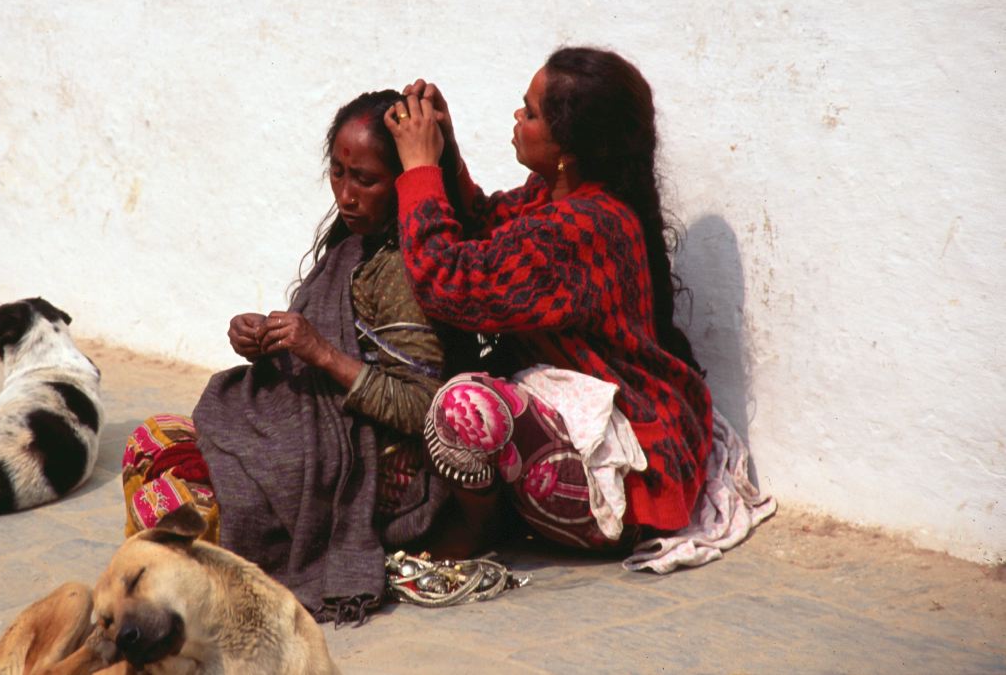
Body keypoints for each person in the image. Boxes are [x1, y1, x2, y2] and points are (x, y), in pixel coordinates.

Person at [121, 90, 470, 624]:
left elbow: (425, 407)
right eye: (338, 173)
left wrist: (320, 352)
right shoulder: (352, 246)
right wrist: (262, 340)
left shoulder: (403, 269)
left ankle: (186, 583)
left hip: (362, 468)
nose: (346, 196)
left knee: (178, 499)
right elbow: (323, 336)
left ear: (404, 181)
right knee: (153, 440)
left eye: (365, 180)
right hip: (309, 437)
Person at [382, 46, 714, 552]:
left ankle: (480, 531)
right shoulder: (554, 194)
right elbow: (485, 224)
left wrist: (420, 168)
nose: (518, 117)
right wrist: (445, 151)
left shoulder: (585, 226)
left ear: (569, 150)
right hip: (574, 428)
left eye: (532, 113)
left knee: (463, 408)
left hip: (626, 475)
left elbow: (448, 282)